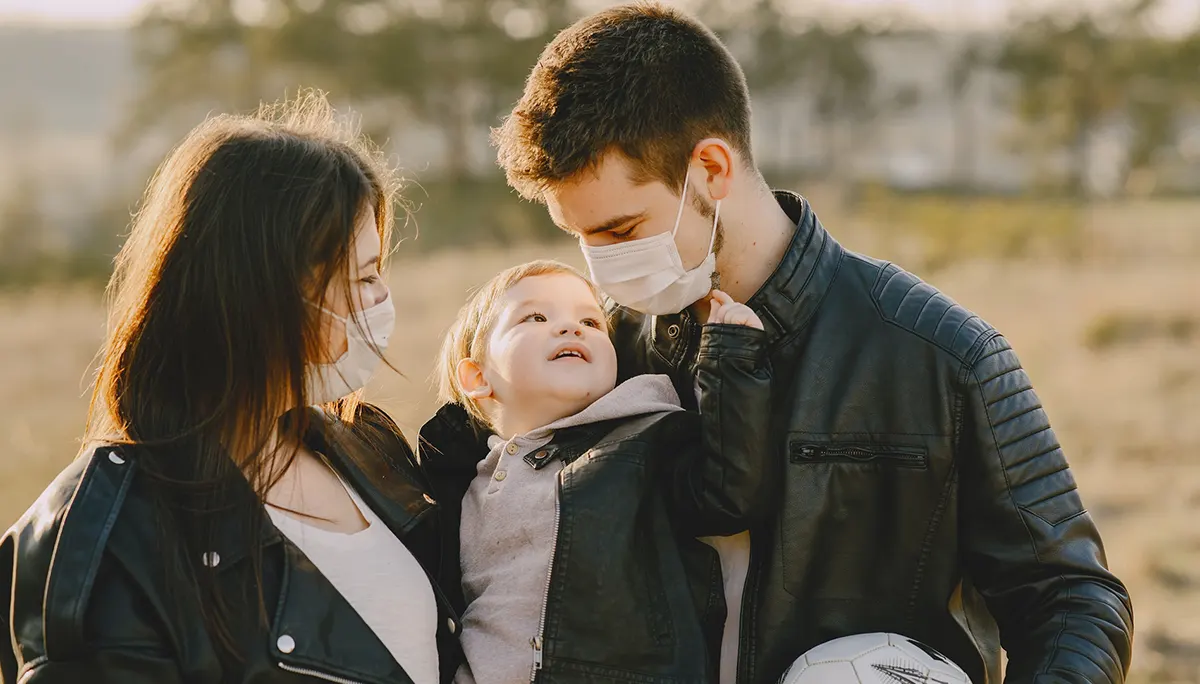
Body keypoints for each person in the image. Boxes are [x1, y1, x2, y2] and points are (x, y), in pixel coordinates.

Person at [488, 3, 1134, 683]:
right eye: (579, 237)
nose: (599, 268)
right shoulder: (606, 352)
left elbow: (1072, 600)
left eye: (620, 232)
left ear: (711, 168)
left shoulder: (944, 355)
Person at [1, 91, 461, 683]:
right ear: (262, 290)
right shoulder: (106, 537)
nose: (382, 302)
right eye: (365, 276)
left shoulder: (362, 445)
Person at [417, 259, 773, 683]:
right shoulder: (455, 478)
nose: (571, 328)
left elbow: (730, 492)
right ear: (477, 376)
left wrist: (730, 357)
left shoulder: (643, 441)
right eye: (535, 316)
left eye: (590, 321)